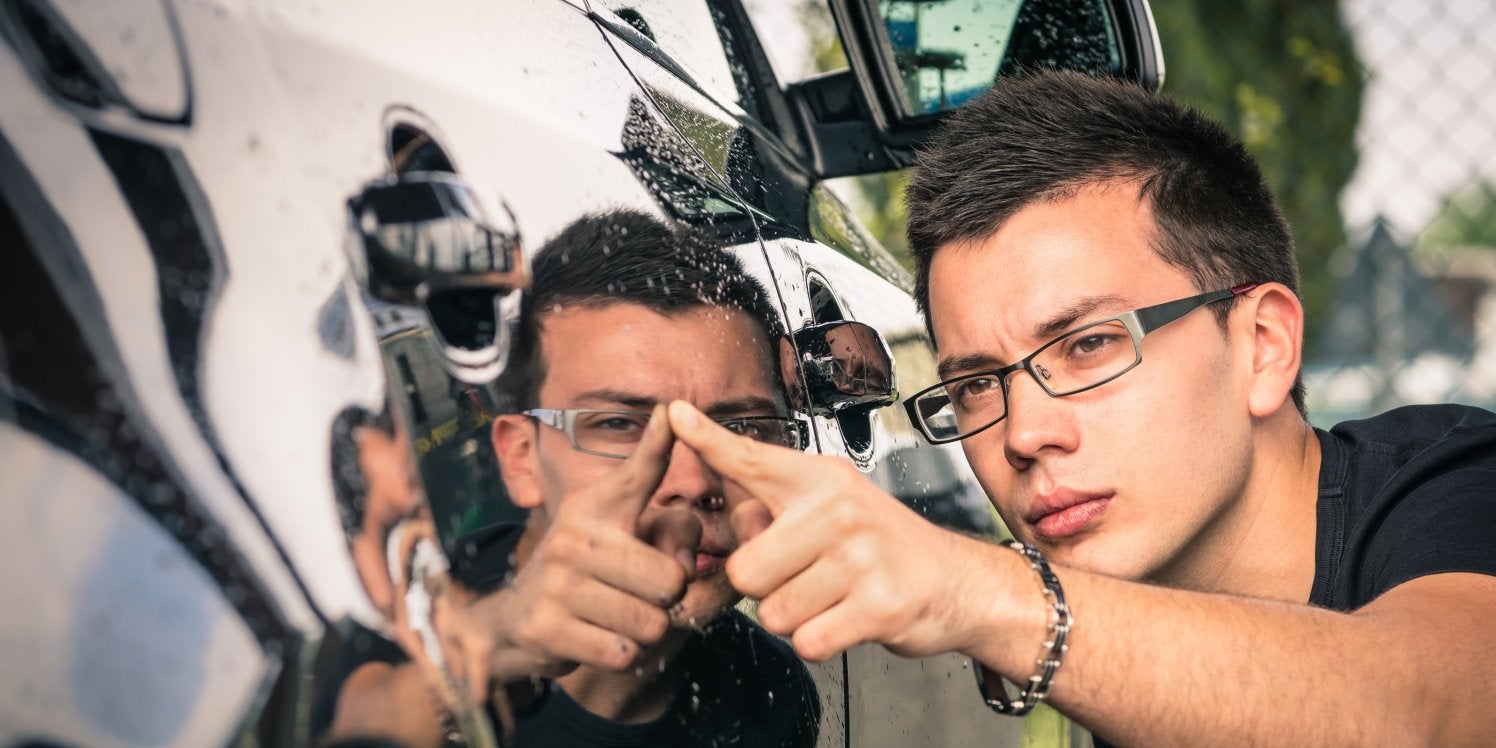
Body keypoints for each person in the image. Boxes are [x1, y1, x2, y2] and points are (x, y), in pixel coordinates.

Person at [661, 70, 1496, 746]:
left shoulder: (1462, 486)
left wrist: (988, 598)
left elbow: (1423, 713)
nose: (1024, 433)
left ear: (1263, 346)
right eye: (977, 384)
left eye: (1090, 344)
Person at [320, 209, 819, 747]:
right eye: (621, 425)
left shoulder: (770, 691)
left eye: (740, 427)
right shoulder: (377, 629)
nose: (692, 481)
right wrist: (487, 651)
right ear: (521, 459)